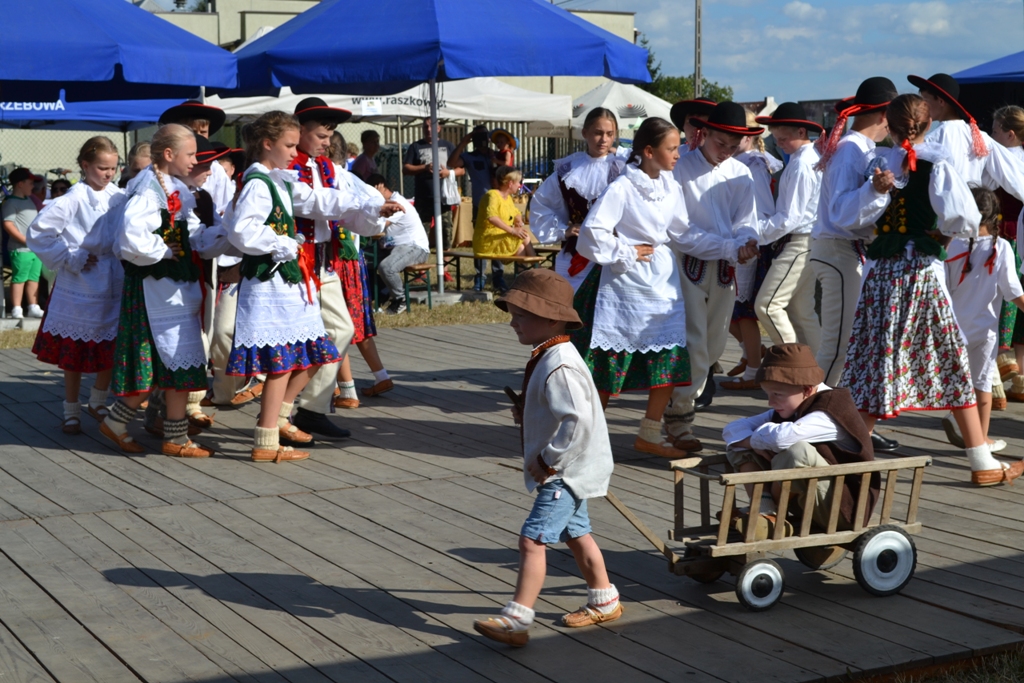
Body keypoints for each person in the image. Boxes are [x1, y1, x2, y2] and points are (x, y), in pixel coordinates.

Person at [842, 94, 1023, 487]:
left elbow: (849, 221)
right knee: (950, 358)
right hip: (920, 273)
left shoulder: (879, 165)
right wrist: (938, 233)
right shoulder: (936, 164)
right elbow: (965, 218)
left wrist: (877, 193)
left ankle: (848, 451)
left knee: (877, 358)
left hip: (882, 274)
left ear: (888, 128)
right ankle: (979, 460)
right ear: (928, 126)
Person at [472, 269, 618, 648]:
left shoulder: (560, 365)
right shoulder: (550, 355)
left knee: (532, 541)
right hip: (571, 468)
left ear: (552, 319)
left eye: (522, 314)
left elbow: (578, 421)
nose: (512, 321)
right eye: (513, 312)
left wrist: (550, 460)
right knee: (577, 533)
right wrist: (530, 411)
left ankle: (517, 618)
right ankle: (605, 598)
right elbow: (563, 413)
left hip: (565, 473)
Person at [100, 124, 222, 459]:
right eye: (191, 154)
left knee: (171, 361)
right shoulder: (147, 189)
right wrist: (166, 250)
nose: (195, 160)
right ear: (169, 155)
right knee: (160, 360)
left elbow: (190, 231)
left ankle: (163, 433)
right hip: (155, 290)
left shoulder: (176, 189)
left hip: (171, 289)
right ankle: (135, 426)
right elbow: (129, 239)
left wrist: (220, 236)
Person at [574, 117, 694, 457]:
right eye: (672, 149)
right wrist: (624, 251)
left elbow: (683, 230)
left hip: (660, 281)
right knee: (609, 362)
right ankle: (588, 439)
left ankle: (650, 434)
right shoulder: (623, 188)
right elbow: (590, 235)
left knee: (668, 358)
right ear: (649, 151)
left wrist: (729, 244)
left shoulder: (670, 185)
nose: (677, 155)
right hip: (625, 281)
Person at [287, 99, 399, 440]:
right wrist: (360, 204)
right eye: (321, 135)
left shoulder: (329, 169)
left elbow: (352, 209)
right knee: (287, 340)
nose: (327, 142)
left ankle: (311, 408)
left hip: (324, 260)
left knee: (341, 329)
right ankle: (276, 412)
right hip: (294, 262)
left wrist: (378, 211)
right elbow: (308, 201)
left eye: (329, 135)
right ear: (299, 131)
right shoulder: (286, 164)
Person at [662, 102, 761, 452]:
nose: (727, 152)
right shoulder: (681, 169)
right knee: (694, 344)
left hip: (723, 269)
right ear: (705, 134)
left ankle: (677, 412)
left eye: (734, 147)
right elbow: (679, 231)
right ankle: (679, 420)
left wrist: (747, 240)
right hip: (686, 265)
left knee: (716, 343)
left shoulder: (741, 174)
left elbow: (747, 218)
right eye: (722, 143)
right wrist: (730, 246)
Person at [809, 77, 900, 454]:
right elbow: (843, 212)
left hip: (845, 251)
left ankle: (837, 420)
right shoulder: (851, 149)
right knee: (838, 345)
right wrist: (875, 191)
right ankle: (815, 420)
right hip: (837, 249)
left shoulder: (857, 147)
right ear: (884, 114)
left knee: (847, 343)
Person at [722, 344, 877, 533]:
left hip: (843, 507)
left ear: (807, 389)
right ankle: (765, 509)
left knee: (798, 451)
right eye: (768, 394)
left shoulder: (830, 411)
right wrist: (750, 442)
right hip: (807, 500)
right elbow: (732, 429)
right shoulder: (790, 406)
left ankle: (770, 515)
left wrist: (754, 441)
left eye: (777, 394)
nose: (771, 402)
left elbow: (782, 438)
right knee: (737, 444)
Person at [27, 136, 123, 435]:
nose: (108, 174)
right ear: (85, 165)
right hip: (81, 280)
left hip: (113, 276)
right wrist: (71, 257)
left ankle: (97, 399)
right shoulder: (71, 199)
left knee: (111, 340)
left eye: (113, 168)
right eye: (102, 168)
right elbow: (38, 233)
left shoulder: (120, 196)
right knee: (75, 348)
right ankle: (71, 409)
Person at [943, 188, 1024, 451]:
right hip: (985, 331)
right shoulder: (1000, 248)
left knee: (957, 383)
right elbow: (1014, 292)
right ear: (995, 216)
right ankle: (982, 439)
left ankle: (960, 422)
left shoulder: (952, 244)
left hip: (954, 329)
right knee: (983, 384)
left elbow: (941, 287)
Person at [324, 139, 393, 405]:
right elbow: (376, 204)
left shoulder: (330, 178)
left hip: (335, 259)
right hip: (353, 260)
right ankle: (379, 375)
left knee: (333, 325)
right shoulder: (352, 179)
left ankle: (345, 388)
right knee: (355, 323)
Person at [752, 102, 823, 354]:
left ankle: (796, 368)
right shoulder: (803, 159)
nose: (779, 143)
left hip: (800, 241)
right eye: (777, 138)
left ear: (801, 133)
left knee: (767, 306)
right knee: (802, 312)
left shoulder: (803, 164)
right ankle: (821, 372)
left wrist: (756, 234)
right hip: (805, 240)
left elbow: (790, 217)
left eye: (783, 138)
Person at [531, 108, 624, 293]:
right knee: (571, 306)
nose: (604, 139)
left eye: (609, 134)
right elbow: (541, 203)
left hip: (611, 252)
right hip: (575, 254)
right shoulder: (568, 170)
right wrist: (563, 230)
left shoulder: (622, 168)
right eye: (598, 133)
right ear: (585, 133)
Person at [722, 110, 782, 390]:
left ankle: (754, 369)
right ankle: (750, 355)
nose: (736, 138)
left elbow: (763, 209)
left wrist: (748, 237)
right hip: (732, 240)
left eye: (741, 133)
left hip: (749, 242)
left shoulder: (754, 164)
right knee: (729, 309)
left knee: (743, 310)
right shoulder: (737, 161)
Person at [991, 105, 1024, 402]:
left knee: (999, 297)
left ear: (1010, 134)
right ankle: (1016, 377)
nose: (992, 134)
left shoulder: (1002, 158)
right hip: (1015, 233)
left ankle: (1001, 365)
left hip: (1003, 232)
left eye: (996, 129)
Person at [451, 125, 505, 291]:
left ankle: (498, 277)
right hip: (480, 205)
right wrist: (463, 142)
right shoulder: (470, 157)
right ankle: (479, 278)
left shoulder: (496, 155)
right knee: (481, 240)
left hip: (498, 204)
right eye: (477, 138)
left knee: (497, 239)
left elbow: (509, 166)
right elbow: (452, 163)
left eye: (484, 137)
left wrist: (495, 158)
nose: (481, 141)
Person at [370, 173, 430, 316]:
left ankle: (400, 299)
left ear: (381, 187)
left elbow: (379, 224)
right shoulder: (385, 203)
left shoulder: (397, 204)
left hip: (414, 248)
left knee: (387, 267)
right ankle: (383, 291)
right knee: (361, 260)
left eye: (371, 192)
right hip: (391, 247)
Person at [473, 166, 536, 282]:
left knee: (521, 246)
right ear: (510, 183)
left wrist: (517, 218)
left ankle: (523, 280)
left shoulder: (508, 198)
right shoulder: (492, 195)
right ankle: (537, 268)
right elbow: (492, 217)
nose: (520, 186)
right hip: (487, 239)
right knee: (524, 236)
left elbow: (515, 212)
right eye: (519, 182)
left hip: (499, 237)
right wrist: (512, 230)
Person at [403, 119, 456, 250]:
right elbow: (406, 169)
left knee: (446, 232)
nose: (428, 129)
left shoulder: (448, 146)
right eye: (425, 127)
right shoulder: (415, 146)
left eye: (431, 127)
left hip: (444, 198)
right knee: (421, 232)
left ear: (438, 129)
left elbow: (462, 169)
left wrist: (447, 172)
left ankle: (445, 267)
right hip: (423, 197)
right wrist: (425, 167)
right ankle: (421, 266)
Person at [2, 168, 46, 319]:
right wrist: (24, 240)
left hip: (34, 249)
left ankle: (33, 306)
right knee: (19, 278)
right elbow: (8, 224)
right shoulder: (10, 203)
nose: (33, 186)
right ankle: (16, 308)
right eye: (30, 183)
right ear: (20, 184)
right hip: (20, 249)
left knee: (33, 278)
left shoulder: (29, 200)